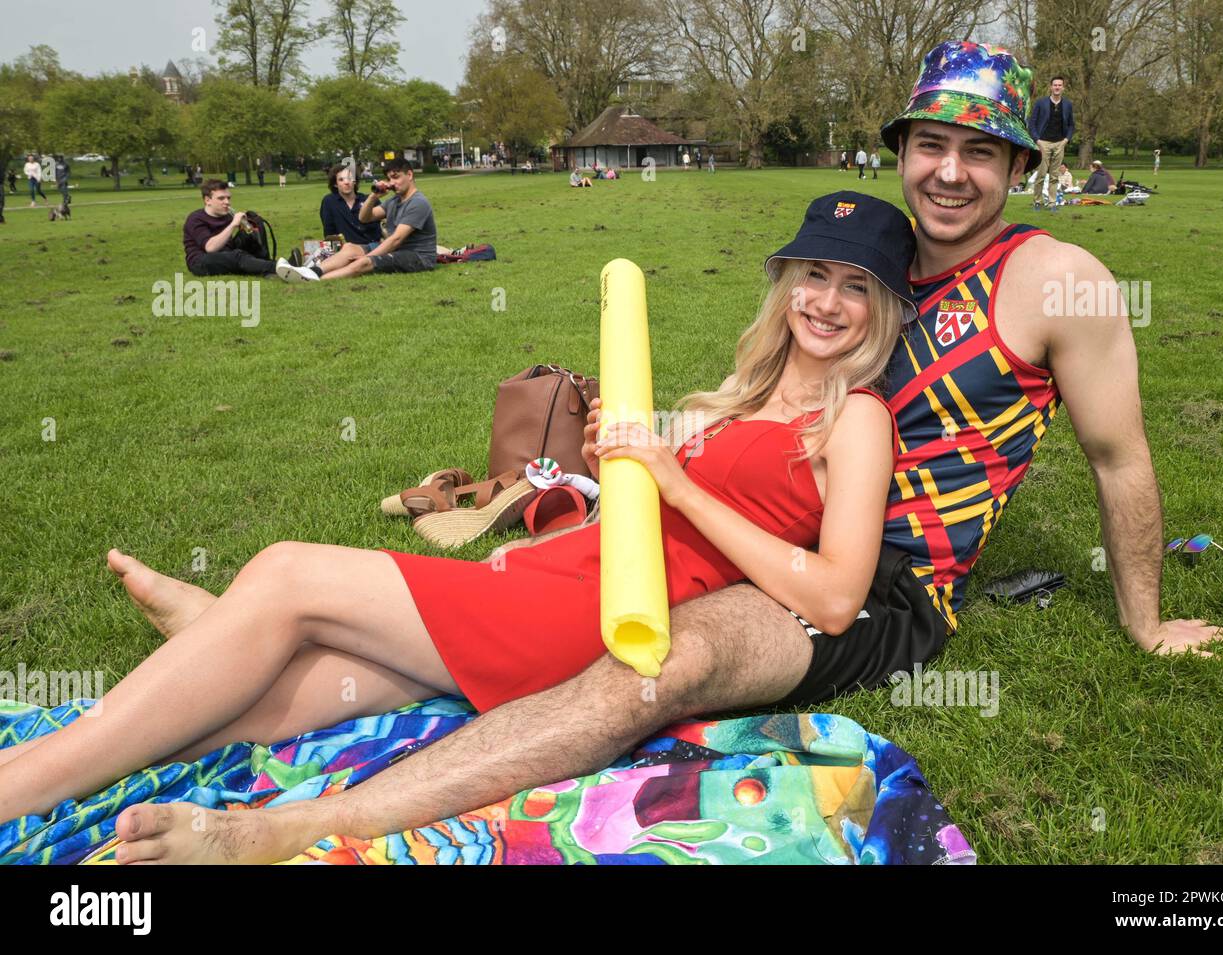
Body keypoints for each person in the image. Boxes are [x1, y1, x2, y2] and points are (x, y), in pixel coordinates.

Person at [7, 41, 1223, 864]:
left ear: (1020, 166)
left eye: (981, 153)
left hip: (887, 585)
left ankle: (301, 812)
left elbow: (1119, 461)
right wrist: (641, 444)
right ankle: (231, 650)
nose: (951, 172)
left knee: (662, 663)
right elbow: (763, 390)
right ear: (902, 152)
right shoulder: (888, 257)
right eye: (931, 146)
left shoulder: (1053, 276)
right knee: (360, 659)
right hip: (757, 531)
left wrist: (1143, 620)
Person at [0, 189, 919, 857]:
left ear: (883, 306)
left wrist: (676, 485)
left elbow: (836, 597)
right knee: (294, 689)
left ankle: (24, 780)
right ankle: (158, 708)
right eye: (814, 274)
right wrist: (619, 460)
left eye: (856, 285)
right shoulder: (746, 394)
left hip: (585, 616)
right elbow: (654, 499)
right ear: (787, 283)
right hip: (554, 572)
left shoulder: (855, 418)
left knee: (286, 571)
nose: (826, 302)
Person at [277, 157, 437, 282]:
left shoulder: (417, 202)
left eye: (396, 177)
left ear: (409, 175)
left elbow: (396, 239)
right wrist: (374, 196)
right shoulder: (393, 200)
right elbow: (364, 218)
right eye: (389, 179)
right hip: (387, 248)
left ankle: (312, 280)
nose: (392, 183)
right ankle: (311, 271)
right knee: (349, 248)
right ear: (335, 184)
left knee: (363, 263)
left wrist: (370, 256)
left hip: (416, 257)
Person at [181, 179, 276, 277]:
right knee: (237, 255)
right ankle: (275, 267)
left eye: (228, 198)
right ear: (207, 200)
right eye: (221, 198)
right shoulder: (195, 219)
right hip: (201, 261)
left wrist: (250, 223)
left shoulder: (227, 215)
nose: (227, 202)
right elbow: (210, 248)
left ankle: (267, 264)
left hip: (226, 254)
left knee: (253, 228)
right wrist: (233, 224)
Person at [1027, 75, 1075, 210]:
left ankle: (1052, 202)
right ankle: (1037, 201)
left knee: (1055, 176)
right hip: (1044, 143)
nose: (1057, 87)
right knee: (1041, 174)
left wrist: (1066, 140)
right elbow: (1032, 124)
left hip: (1060, 143)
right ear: (1051, 87)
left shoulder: (1067, 104)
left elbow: (1071, 125)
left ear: (1063, 88)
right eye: (1055, 85)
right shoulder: (1041, 103)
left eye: (1060, 85)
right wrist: (1037, 140)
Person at [319, 164, 383, 249]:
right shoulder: (329, 202)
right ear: (335, 184)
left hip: (371, 246)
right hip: (343, 248)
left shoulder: (369, 200)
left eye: (350, 178)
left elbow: (384, 226)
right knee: (318, 254)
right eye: (341, 180)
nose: (346, 182)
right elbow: (329, 232)